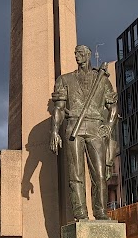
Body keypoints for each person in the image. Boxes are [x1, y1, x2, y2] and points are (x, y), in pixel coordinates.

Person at [50, 45, 117, 221]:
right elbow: (59, 108)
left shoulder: (102, 79)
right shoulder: (65, 80)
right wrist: (55, 131)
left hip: (95, 127)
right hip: (74, 127)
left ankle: (101, 211)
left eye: (80, 54)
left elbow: (113, 106)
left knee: (100, 175)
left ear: (87, 55)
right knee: (76, 175)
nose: (77, 57)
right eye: (75, 54)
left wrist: (109, 125)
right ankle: (80, 213)